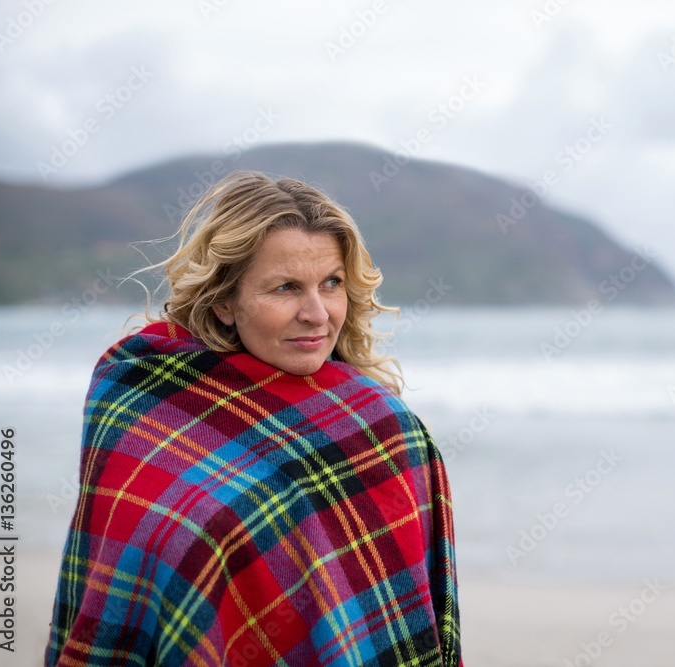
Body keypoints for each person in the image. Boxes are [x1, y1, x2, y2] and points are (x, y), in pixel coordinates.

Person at [45, 171, 462, 666]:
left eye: (331, 283)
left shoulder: (380, 429)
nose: (317, 313)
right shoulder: (139, 389)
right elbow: (117, 567)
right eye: (286, 287)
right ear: (224, 300)